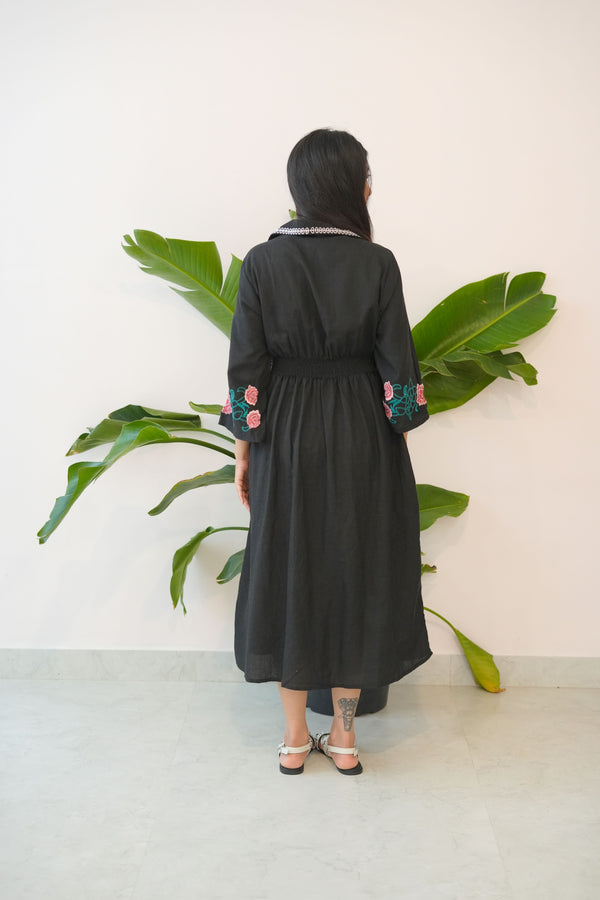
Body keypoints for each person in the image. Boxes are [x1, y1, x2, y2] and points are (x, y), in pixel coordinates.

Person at [218, 128, 432, 776]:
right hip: (362, 434)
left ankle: (291, 741)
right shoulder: (377, 263)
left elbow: (246, 367)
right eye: (368, 176)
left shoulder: (261, 262)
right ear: (352, 186)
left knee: (288, 570)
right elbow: (399, 368)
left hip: (285, 434)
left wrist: (245, 450)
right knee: (354, 574)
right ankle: (343, 740)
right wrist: (398, 423)